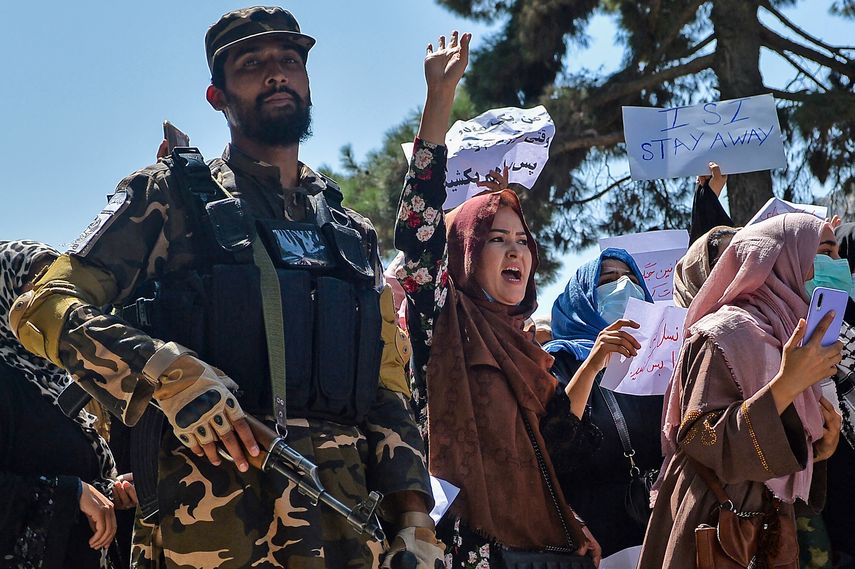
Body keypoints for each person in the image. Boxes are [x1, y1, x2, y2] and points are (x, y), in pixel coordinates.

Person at [9, 7, 434, 568]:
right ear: (218, 96)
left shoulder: (348, 231)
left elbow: (385, 389)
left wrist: (414, 518)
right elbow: (43, 307)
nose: (276, 73)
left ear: (307, 82)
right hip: (212, 536)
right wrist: (169, 378)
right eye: (251, 64)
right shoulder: (169, 200)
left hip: (343, 531)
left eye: (289, 60)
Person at [395, 30, 600, 568]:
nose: (517, 253)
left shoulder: (524, 345)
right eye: (496, 239)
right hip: (459, 549)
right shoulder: (441, 315)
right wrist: (439, 101)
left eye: (522, 241)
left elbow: (550, 441)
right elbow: (418, 227)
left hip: (538, 547)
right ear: (463, 251)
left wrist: (567, 520)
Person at [638, 213, 843, 568]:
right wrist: (787, 384)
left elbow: (782, 441)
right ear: (781, 258)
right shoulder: (725, 330)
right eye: (822, 253)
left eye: (838, 255)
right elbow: (701, 434)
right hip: (713, 523)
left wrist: (819, 448)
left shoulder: (785, 333)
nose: (834, 266)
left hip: (769, 525)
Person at [0, 240, 132, 569]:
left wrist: (108, 491)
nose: (52, 292)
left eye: (55, 277)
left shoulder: (54, 377)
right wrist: (69, 493)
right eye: (36, 280)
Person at [542, 250, 662, 557]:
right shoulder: (558, 362)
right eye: (608, 280)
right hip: (595, 544)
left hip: (663, 531)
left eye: (633, 280)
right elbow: (555, 445)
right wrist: (593, 364)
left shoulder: (662, 359)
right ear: (581, 297)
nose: (625, 286)